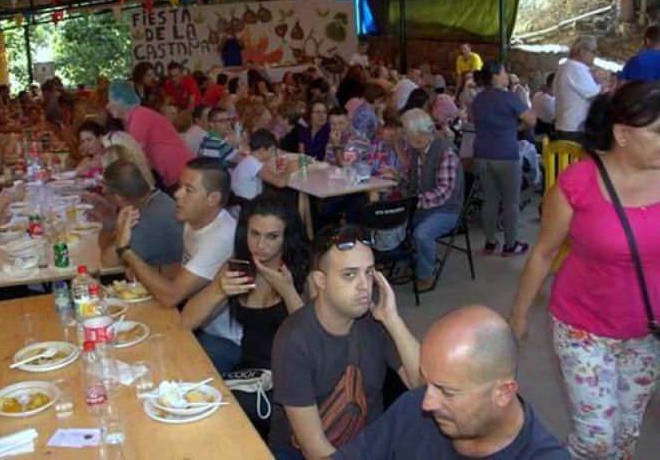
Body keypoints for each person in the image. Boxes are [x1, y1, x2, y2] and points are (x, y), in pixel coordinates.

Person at [510, 81, 660, 459]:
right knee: (596, 439)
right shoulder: (578, 182)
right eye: (658, 131)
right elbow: (544, 252)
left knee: (625, 433)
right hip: (583, 328)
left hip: (647, 334)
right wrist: (519, 314)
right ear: (623, 134)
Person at [334, 305, 568, 460]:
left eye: (447, 392)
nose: (427, 403)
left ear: (504, 393)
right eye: (428, 383)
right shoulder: (412, 407)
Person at [269, 226, 421, 460]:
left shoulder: (376, 318)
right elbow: (314, 449)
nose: (364, 286)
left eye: (369, 272)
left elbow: (423, 386)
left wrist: (393, 320)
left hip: (368, 447)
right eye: (349, 274)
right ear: (321, 280)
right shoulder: (294, 340)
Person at [180, 193, 309, 435]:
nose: (261, 245)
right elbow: (186, 321)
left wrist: (288, 291)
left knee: (220, 415)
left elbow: (313, 339)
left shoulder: (303, 272)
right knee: (193, 398)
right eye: (254, 234)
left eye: (272, 236)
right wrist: (218, 290)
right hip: (250, 373)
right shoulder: (238, 267)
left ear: (286, 237)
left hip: (291, 376)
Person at [113, 158, 241, 372]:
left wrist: (126, 251)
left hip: (225, 340)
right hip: (196, 322)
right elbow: (188, 266)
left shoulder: (220, 236)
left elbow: (170, 296)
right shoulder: (194, 219)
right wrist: (149, 272)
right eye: (180, 186)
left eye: (189, 189)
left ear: (213, 199)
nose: (177, 194)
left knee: (158, 362)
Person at [389, 109, 465, 292]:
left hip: (447, 210)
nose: (405, 138)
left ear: (420, 134)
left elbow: (445, 192)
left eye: (407, 134)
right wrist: (399, 176)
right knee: (392, 220)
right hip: (424, 206)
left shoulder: (446, 151)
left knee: (422, 233)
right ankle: (408, 260)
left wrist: (414, 202)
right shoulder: (417, 150)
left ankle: (426, 274)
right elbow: (414, 180)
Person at [470, 61, 537, 257]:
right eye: (505, 72)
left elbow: (478, 121)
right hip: (505, 154)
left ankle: (490, 242)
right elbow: (531, 119)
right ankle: (510, 244)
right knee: (510, 202)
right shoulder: (509, 98)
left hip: (482, 154)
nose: (507, 75)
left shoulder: (479, 99)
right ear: (497, 76)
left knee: (489, 199)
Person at [106, 81, 193, 192]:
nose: (107, 106)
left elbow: (133, 155)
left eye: (110, 101)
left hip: (176, 172)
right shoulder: (136, 117)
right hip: (175, 171)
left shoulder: (139, 117)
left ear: (120, 102)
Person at [97, 160, 183, 270]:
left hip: (161, 282)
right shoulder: (157, 197)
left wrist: (108, 221)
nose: (103, 191)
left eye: (105, 189)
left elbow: (107, 261)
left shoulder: (148, 220)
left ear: (119, 197)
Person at [553, 35, 602, 141]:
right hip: (574, 129)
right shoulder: (577, 69)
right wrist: (603, 81)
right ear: (582, 51)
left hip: (565, 125)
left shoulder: (565, 67)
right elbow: (596, 95)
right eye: (593, 51)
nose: (595, 55)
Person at [231, 130, 296, 201]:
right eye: (272, 150)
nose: (274, 154)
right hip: (248, 204)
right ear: (262, 150)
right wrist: (289, 168)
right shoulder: (253, 164)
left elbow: (272, 173)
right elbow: (281, 183)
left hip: (243, 201)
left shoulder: (249, 160)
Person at [531, 73, 556, 137]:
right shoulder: (549, 101)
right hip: (549, 134)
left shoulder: (537, 94)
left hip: (537, 130)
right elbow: (555, 119)